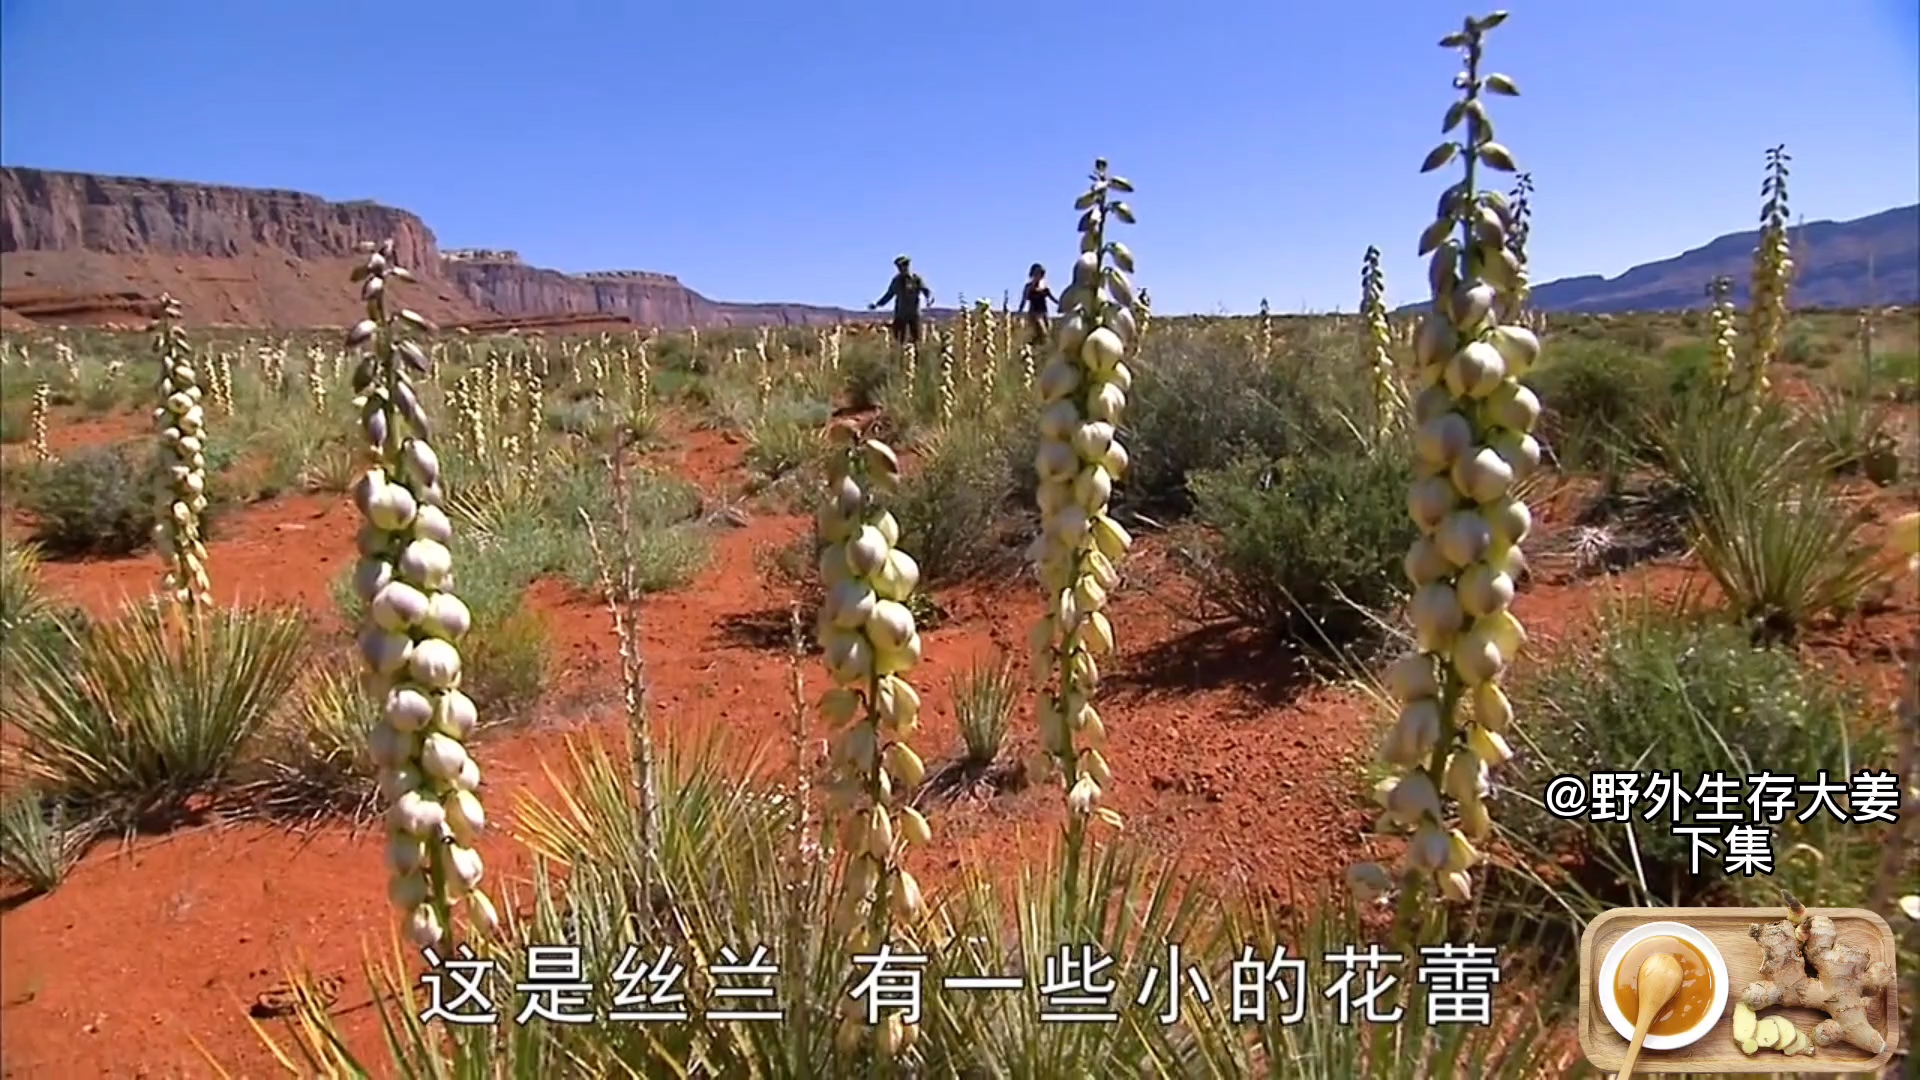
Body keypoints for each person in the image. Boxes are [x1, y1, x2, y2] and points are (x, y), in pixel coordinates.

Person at [870, 255, 932, 346]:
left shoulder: (916, 279)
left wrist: (929, 299)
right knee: (899, 340)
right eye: (899, 266)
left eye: (904, 265)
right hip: (900, 314)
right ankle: (900, 357)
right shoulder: (896, 281)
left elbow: (926, 290)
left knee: (917, 340)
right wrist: (877, 304)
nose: (902, 268)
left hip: (914, 314)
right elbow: (889, 294)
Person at [1020, 262, 1054, 345]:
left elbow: (1052, 298)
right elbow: (1024, 299)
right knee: (1042, 330)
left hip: (1044, 312)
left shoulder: (1044, 287)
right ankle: (1032, 345)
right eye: (1037, 274)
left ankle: (1037, 345)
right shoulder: (1028, 287)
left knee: (1048, 330)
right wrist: (1020, 311)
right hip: (1034, 312)